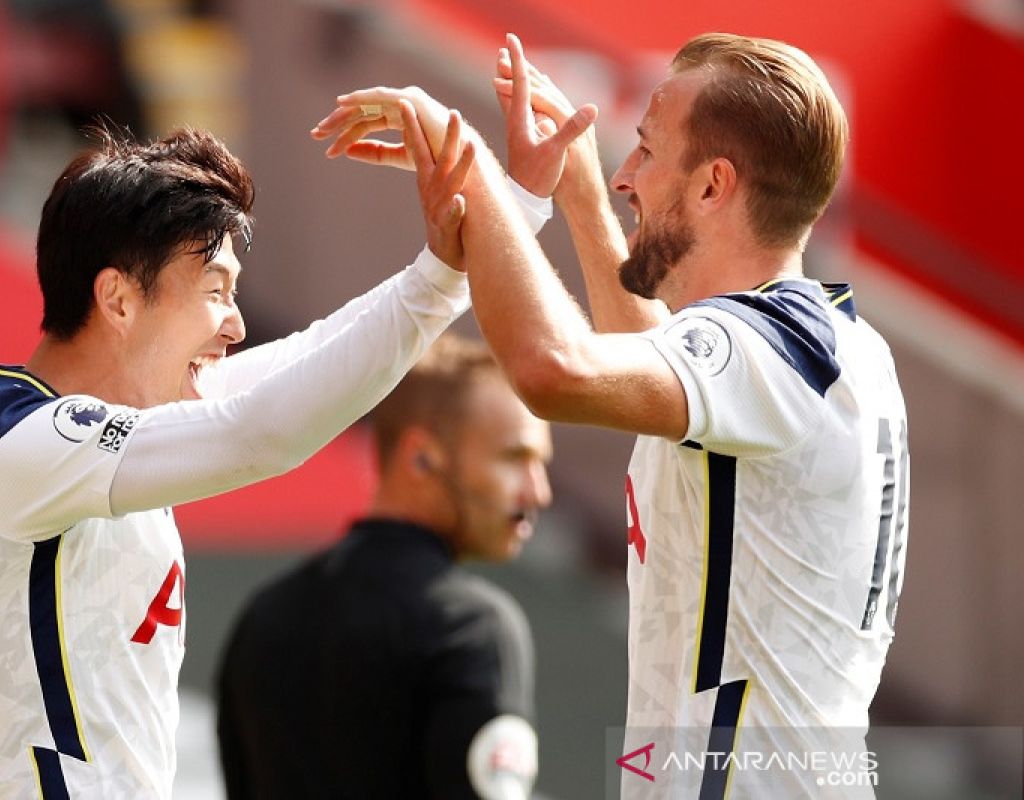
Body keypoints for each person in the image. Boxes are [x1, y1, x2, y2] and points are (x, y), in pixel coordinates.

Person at [313, 30, 908, 798]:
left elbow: (554, 369)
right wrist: (578, 191)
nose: (628, 174)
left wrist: (481, 181)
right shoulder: (832, 344)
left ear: (711, 186)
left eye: (647, 149)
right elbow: (655, 366)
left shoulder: (771, 343)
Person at [0, 116, 480, 798]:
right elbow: (260, 432)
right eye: (215, 292)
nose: (236, 326)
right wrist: (440, 279)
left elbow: (302, 358)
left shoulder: (119, 424)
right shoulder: (11, 440)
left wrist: (457, 258)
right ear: (118, 299)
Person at [215, 333, 553, 800]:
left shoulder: (263, 617)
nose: (539, 493)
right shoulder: (471, 628)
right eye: (515, 459)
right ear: (421, 456)